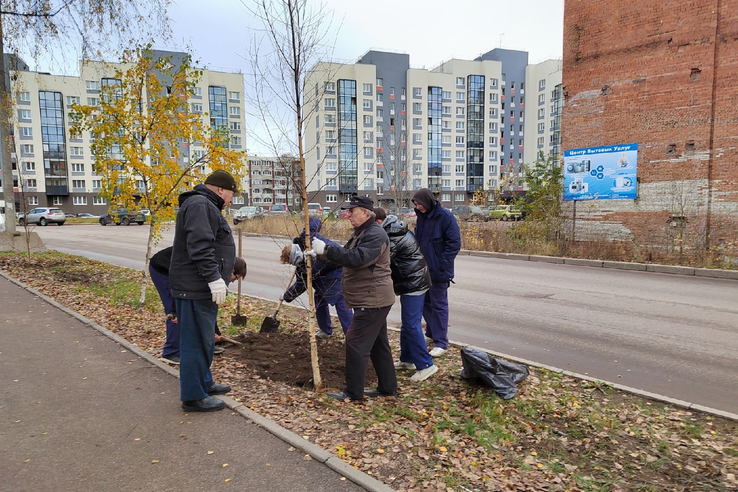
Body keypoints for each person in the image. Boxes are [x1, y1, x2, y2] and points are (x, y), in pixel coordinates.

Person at [311, 195, 397, 402]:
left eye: (352, 211)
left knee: (355, 343)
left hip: (372, 300)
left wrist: (327, 249)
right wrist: (319, 254)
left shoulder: (375, 234)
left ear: (365, 212)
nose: (348, 215)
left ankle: (353, 393)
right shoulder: (363, 233)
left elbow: (358, 259)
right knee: (378, 343)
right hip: (370, 298)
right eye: (348, 211)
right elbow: (346, 254)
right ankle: (387, 387)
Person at [169, 169, 239, 413]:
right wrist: (213, 278)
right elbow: (200, 245)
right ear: (221, 189)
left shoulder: (205, 205)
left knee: (205, 339)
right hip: (195, 287)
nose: (231, 199)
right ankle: (193, 396)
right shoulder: (201, 205)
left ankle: (204, 383)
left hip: (198, 288)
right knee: (195, 342)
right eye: (232, 193)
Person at [149, 246, 246, 365]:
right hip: (163, 269)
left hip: (181, 273)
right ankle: (171, 353)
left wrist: (214, 333)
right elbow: (182, 286)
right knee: (177, 314)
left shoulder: (218, 270)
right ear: (232, 271)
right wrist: (175, 310)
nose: (232, 281)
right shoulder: (209, 267)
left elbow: (208, 303)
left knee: (198, 305)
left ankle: (206, 343)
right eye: (235, 278)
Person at [375, 208, 438, 382]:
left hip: (414, 283)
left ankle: (426, 365)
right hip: (411, 281)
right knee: (408, 323)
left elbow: (381, 261)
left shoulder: (391, 236)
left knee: (411, 324)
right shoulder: (393, 230)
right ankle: (407, 359)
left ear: (378, 222)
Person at [280, 218, 352, 338]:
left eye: (292, 262)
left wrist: (307, 229)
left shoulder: (308, 239)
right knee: (319, 298)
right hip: (326, 278)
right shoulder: (303, 268)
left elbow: (314, 223)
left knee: (341, 302)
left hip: (339, 271)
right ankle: (325, 330)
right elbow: (301, 283)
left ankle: (352, 337)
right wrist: (286, 296)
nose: (293, 265)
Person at [412, 188, 461, 357]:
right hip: (422, 270)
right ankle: (431, 334)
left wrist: (441, 265)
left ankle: (441, 341)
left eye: (420, 204)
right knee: (425, 303)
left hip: (439, 272)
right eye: (416, 204)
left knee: (439, 305)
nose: (418, 207)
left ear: (428, 202)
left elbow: (454, 244)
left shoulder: (445, 217)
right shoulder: (422, 218)